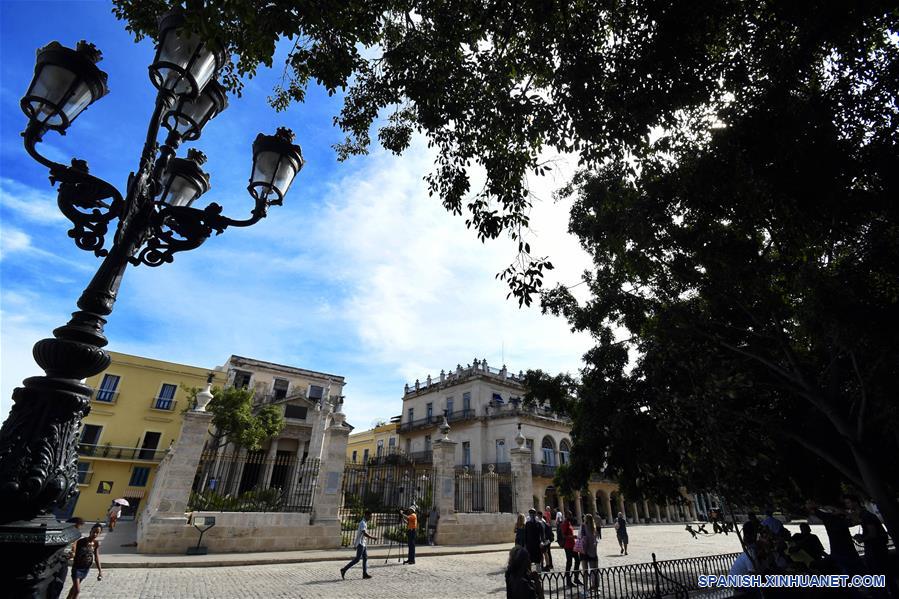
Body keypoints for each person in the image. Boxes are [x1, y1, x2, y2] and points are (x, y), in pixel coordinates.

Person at [805, 500, 862, 576]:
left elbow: (856, 521)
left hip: (842, 552)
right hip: (844, 552)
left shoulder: (831, 518)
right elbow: (855, 521)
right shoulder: (833, 518)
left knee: (850, 571)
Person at [843, 494, 889, 578]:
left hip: (876, 548)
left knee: (880, 572)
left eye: (848, 503)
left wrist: (861, 538)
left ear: (855, 503)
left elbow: (873, 534)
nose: (847, 505)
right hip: (875, 547)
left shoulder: (866, 516)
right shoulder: (863, 515)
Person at [66, 523, 102, 599]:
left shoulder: (96, 543)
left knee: (74, 589)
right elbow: (74, 548)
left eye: (97, 532)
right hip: (77, 568)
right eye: (94, 532)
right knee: (77, 590)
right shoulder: (81, 541)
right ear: (91, 531)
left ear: (99, 534)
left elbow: (96, 557)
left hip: (85, 569)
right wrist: (72, 553)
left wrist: (100, 571)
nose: (95, 534)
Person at [340, 510, 376, 580]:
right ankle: (344, 569)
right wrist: (373, 537)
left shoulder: (365, 522)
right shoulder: (362, 523)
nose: (370, 518)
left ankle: (364, 574)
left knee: (365, 558)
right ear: (366, 515)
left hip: (363, 543)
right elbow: (364, 533)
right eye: (370, 516)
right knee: (357, 559)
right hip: (360, 544)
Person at [580, 514, 599, 592]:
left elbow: (580, 537)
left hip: (584, 551)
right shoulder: (594, 528)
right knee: (594, 570)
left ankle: (585, 588)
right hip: (593, 551)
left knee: (585, 571)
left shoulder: (583, 526)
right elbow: (596, 539)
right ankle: (595, 586)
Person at [561, 512, 581, 588]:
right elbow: (564, 535)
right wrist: (573, 536)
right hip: (568, 546)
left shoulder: (569, 523)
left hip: (573, 545)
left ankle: (576, 578)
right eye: (570, 515)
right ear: (567, 516)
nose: (571, 516)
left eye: (571, 515)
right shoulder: (565, 523)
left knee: (577, 561)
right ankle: (568, 581)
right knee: (569, 563)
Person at [524, 508, 545, 572]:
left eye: (533, 513)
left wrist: (542, 541)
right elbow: (525, 535)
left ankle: (538, 573)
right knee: (529, 560)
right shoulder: (527, 524)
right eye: (530, 513)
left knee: (537, 559)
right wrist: (525, 544)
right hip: (529, 545)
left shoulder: (539, 523)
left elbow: (542, 534)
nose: (532, 515)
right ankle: (529, 574)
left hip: (537, 544)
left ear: (535, 514)